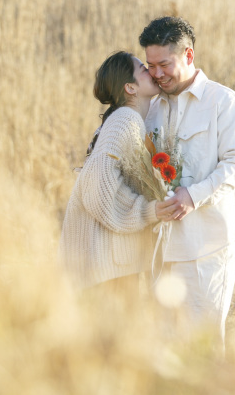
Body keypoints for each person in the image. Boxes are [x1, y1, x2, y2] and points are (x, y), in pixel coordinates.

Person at [140, 16, 235, 347]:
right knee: (163, 351)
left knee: (200, 349)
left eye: (164, 64)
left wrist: (195, 195)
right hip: (162, 249)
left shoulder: (226, 104)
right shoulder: (153, 109)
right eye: (150, 66)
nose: (157, 73)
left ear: (188, 55)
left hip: (209, 247)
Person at [59, 51, 178, 294]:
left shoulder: (121, 121)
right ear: (130, 88)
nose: (152, 72)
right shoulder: (126, 120)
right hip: (105, 269)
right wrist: (149, 210)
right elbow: (99, 192)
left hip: (104, 266)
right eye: (144, 70)